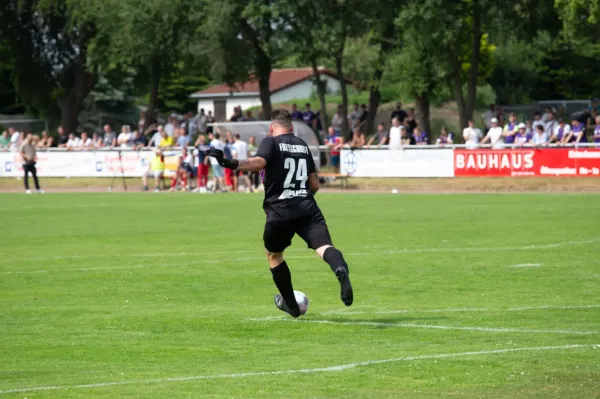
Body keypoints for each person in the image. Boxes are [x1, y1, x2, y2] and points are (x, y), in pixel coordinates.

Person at [207, 108, 353, 318]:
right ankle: (340, 269)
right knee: (324, 246)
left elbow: (258, 163)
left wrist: (230, 162)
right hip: (307, 208)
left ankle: (292, 306)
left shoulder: (270, 142)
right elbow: (315, 184)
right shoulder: (302, 146)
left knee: (274, 255)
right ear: (292, 128)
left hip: (280, 211)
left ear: (272, 127)